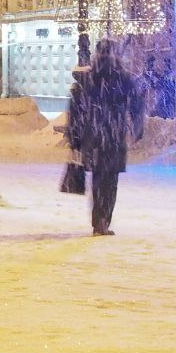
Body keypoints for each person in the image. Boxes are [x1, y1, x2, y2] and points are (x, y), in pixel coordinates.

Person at [68, 40, 145, 236]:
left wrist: (75, 137)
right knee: (110, 181)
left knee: (98, 179)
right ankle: (103, 219)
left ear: (97, 54)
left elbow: (77, 110)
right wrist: (137, 128)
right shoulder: (123, 78)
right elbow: (136, 104)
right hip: (114, 136)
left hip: (93, 136)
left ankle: (98, 221)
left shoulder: (88, 79)